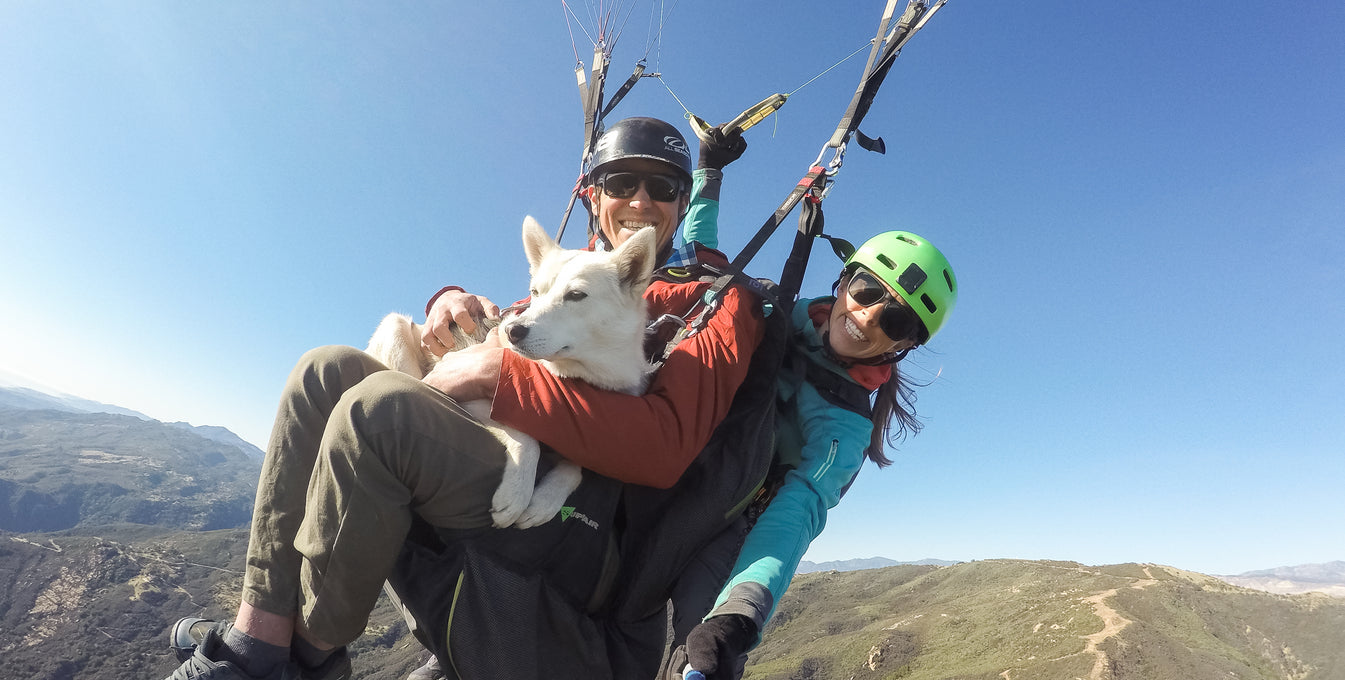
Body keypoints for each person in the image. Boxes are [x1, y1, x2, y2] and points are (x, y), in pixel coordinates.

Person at [158, 116, 766, 680]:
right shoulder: (567, 272)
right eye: (621, 183)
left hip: (586, 522)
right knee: (326, 372)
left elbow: (665, 446)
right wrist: (451, 303)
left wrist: (499, 376)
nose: (639, 201)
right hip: (503, 445)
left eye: (661, 187)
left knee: (381, 414)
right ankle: (258, 636)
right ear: (593, 194)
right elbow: (511, 331)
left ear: (682, 203)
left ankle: (311, 656)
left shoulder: (720, 300)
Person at [673, 223, 960, 679]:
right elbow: (695, 258)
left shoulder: (845, 426)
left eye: (896, 321)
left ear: (904, 345)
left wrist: (737, 615)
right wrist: (706, 182)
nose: (869, 316)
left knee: (697, 654)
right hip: (672, 469)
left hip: (732, 524)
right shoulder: (770, 310)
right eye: (866, 290)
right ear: (843, 282)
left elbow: (798, 510)